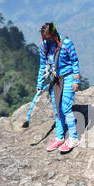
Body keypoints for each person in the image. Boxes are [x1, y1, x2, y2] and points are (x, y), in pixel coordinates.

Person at [36, 22, 81, 152]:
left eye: (49, 38)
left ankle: (73, 138)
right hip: (55, 79)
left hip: (68, 77)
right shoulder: (44, 46)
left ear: (54, 34)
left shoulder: (66, 43)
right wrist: (39, 84)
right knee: (57, 108)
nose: (46, 40)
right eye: (44, 38)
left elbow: (74, 61)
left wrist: (76, 80)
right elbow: (43, 65)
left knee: (65, 107)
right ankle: (59, 137)